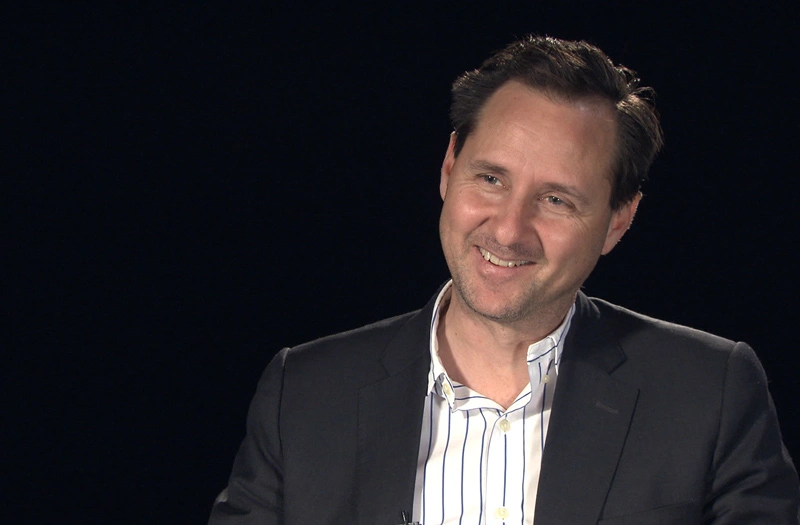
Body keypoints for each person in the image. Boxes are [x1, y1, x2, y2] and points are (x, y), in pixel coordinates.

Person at [208, 36, 800, 524]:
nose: (509, 229)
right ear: (448, 168)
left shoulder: (710, 396)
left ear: (618, 221)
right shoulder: (303, 397)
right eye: (490, 179)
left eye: (556, 200)